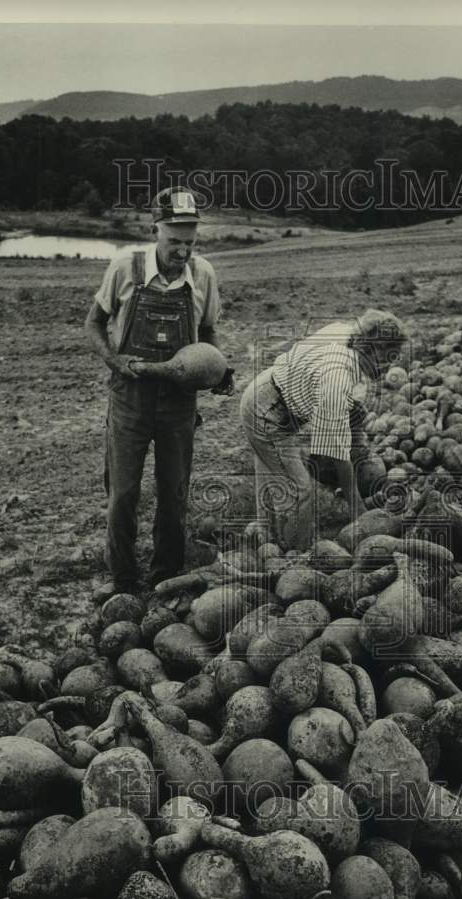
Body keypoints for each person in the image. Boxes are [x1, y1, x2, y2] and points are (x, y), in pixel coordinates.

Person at [85, 186, 233, 598]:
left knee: (174, 491)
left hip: (179, 404)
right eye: (174, 242)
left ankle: (167, 578)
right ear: (155, 230)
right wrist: (114, 361)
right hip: (130, 399)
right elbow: (93, 323)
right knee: (123, 493)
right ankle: (123, 581)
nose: (183, 252)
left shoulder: (203, 274)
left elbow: (207, 332)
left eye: (190, 242)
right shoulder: (124, 268)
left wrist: (215, 370)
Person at [239, 310, 407, 551]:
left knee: (271, 472)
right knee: (300, 490)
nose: (389, 365)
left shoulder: (349, 333)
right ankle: (295, 556)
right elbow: (338, 454)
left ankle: (265, 538)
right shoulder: (338, 377)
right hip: (266, 411)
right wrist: (357, 508)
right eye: (387, 357)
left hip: (271, 393)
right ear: (370, 347)